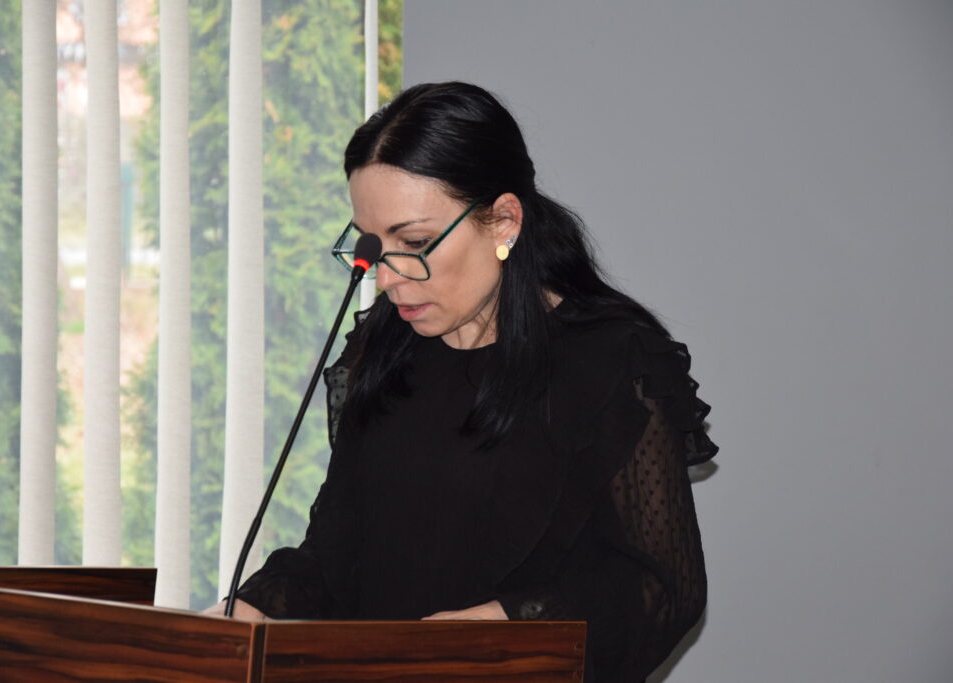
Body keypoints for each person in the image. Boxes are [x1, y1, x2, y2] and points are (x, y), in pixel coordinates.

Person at [205, 81, 718, 682]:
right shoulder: (382, 350)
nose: (386, 279)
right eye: (372, 245)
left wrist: (502, 626)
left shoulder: (611, 359)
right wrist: (243, 614)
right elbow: (335, 555)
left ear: (503, 222)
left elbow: (660, 588)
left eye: (415, 243)